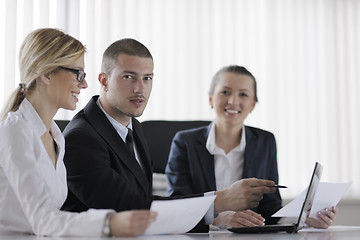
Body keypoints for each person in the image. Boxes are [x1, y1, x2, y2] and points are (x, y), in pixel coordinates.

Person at [61, 38, 277, 233]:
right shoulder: (81, 137)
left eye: (147, 78)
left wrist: (215, 217)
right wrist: (217, 202)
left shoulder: (134, 129)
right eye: (128, 77)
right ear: (104, 80)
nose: (140, 88)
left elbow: (145, 201)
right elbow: (127, 207)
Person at [0, 28, 156, 237]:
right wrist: (109, 223)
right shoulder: (14, 132)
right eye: (77, 74)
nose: (84, 84)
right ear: (46, 73)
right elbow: (43, 220)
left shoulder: (55, 137)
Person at [165, 65, 337, 229]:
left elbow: (270, 206)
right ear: (211, 98)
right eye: (225, 92)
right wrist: (217, 218)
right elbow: (179, 205)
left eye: (243, 95)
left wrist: (303, 218)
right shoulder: (184, 142)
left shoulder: (265, 141)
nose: (233, 101)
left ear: (253, 104)